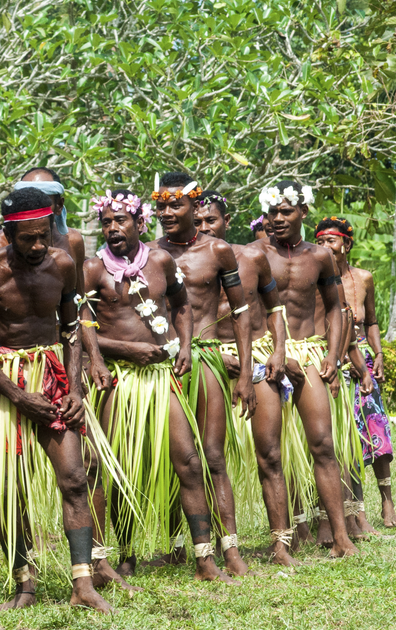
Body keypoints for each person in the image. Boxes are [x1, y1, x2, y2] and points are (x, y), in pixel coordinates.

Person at [0, 187, 114, 613]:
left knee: (75, 478)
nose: (38, 245)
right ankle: (24, 584)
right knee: (11, 488)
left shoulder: (63, 264)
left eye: (44, 235)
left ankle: (83, 583)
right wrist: (16, 395)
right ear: (8, 234)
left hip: (52, 376)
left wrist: (76, 389)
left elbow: (71, 329)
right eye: (27, 238)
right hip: (4, 379)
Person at [79, 189, 233, 584]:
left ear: (139, 223)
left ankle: (204, 560)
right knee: (117, 469)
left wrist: (184, 345)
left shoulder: (161, 261)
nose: (113, 228)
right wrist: (109, 354)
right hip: (118, 379)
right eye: (107, 222)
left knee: (189, 460)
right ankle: (121, 558)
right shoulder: (94, 269)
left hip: (161, 377)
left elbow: (183, 306)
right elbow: (80, 325)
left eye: (121, 221)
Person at [150, 174, 255, 577]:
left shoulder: (219, 251)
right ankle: (183, 547)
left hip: (208, 357)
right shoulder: (148, 254)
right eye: (160, 206)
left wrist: (245, 374)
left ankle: (230, 551)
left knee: (212, 456)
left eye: (175, 205)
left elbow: (242, 315)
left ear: (195, 206)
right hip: (164, 365)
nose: (166, 213)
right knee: (174, 459)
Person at [250, 180, 359, 558]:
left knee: (324, 444)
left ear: (303, 213)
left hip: (311, 352)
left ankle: (341, 538)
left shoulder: (320, 256)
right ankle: (281, 543)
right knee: (270, 452)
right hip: (268, 354)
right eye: (272, 212)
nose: (277, 219)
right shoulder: (252, 254)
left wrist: (333, 354)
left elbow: (335, 305)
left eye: (285, 212)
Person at [195, 192, 300, 566]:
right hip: (206, 361)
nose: (205, 228)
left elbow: (276, 309)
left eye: (211, 220)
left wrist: (277, 352)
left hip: (254, 360)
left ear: (227, 219)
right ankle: (212, 547)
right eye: (198, 222)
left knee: (270, 453)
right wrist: (209, 354)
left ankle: (281, 543)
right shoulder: (183, 261)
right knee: (206, 458)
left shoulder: (253, 258)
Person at [314, 217, 392, 530]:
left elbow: (370, 321)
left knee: (376, 434)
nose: (324, 247)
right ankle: (350, 512)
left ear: (346, 244)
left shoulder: (364, 278)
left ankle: (387, 502)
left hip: (361, 362)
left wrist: (379, 356)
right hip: (327, 361)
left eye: (330, 241)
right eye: (319, 241)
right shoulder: (314, 279)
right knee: (341, 440)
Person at [0, 167, 86, 290]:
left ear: (59, 205)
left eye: (43, 202)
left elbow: (80, 297)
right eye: (26, 201)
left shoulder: (72, 241)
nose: (34, 208)